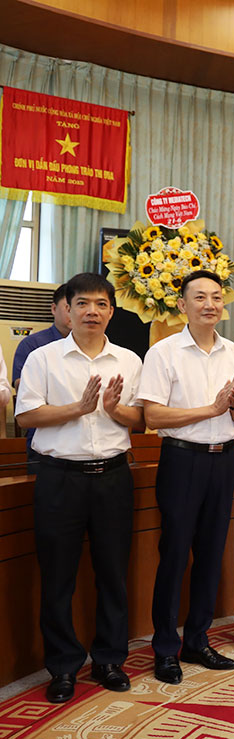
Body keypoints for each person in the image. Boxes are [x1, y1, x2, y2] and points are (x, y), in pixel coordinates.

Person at [14, 272, 143, 703]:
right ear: (67, 308)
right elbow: (25, 418)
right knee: (58, 578)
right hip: (59, 478)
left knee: (113, 574)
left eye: (101, 304)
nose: (92, 311)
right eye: (83, 303)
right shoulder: (43, 358)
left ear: (111, 310)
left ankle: (109, 659)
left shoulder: (128, 360)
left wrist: (113, 410)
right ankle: (64, 667)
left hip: (113, 477)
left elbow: (139, 421)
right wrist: (78, 409)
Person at [139, 270, 234, 684]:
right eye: (200, 297)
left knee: (211, 553)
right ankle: (166, 648)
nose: (210, 304)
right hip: (182, 460)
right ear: (182, 305)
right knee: (175, 555)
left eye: (216, 297)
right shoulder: (164, 352)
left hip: (224, 460)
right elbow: (152, 416)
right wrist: (211, 408)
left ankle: (197, 639)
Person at [12, 283, 71, 470]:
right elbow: (25, 393)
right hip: (44, 440)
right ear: (54, 309)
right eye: (69, 307)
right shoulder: (32, 345)